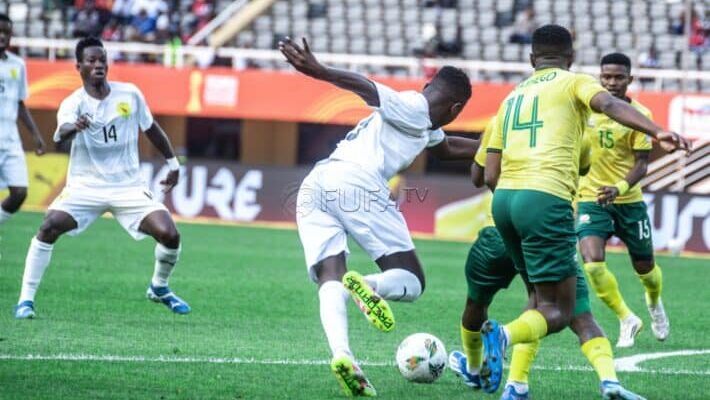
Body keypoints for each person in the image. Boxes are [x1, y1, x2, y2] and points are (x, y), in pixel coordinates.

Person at [479, 24, 690, 394]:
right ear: (572, 57)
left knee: (542, 299)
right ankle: (503, 336)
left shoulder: (511, 97)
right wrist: (657, 131)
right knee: (559, 311)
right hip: (545, 200)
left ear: (531, 58)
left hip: (505, 203)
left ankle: (521, 386)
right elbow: (607, 105)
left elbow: (488, 173)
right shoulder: (574, 82)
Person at [279, 36, 479, 397]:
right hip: (356, 182)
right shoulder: (413, 105)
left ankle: (343, 356)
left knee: (329, 276)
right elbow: (367, 88)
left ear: (429, 85)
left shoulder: (423, 124)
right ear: (456, 108)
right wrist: (319, 70)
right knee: (412, 280)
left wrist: (495, 149)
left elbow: (448, 148)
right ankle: (369, 286)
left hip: (317, 183)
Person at [448, 118, 645, 400]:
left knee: (476, 302)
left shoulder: (502, 119)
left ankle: (476, 368)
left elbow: (481, 177)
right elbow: (583, 168)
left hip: (498, 227)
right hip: (548, 230)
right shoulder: (578, 131)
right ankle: (605, 381)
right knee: (573, 311)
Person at [14, 37, 190, 319]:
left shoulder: (129, 94)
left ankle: (159, 287)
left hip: (128, 187)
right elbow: (61, 135)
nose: (98, 65)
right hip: (86, 186)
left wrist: (172, 163)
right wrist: (75, 126)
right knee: (49, 226)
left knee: (170, 234)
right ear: (79, 67)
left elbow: (151, 128)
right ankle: (25, 301)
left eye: (102, 60)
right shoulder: (73, 103)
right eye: (91, 60)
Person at [577, 53, 669, 349]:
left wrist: (618, 188)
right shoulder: (585, 111)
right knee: (592, 264)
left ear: (630, 79)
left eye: (618, 77)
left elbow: (642, 164)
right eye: (606, 77)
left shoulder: (639, 115)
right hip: (591, 199)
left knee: (646, 270)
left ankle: (654, 302)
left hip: (629, 202)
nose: (611, 82)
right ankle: (627, 318)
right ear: (599, 78)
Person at [0, 14, 46, 226]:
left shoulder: (17, 65)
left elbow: (20, 103)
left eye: (6, 32)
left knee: (19, 192)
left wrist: (36, 135)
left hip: (10, 139)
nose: (2, 36)